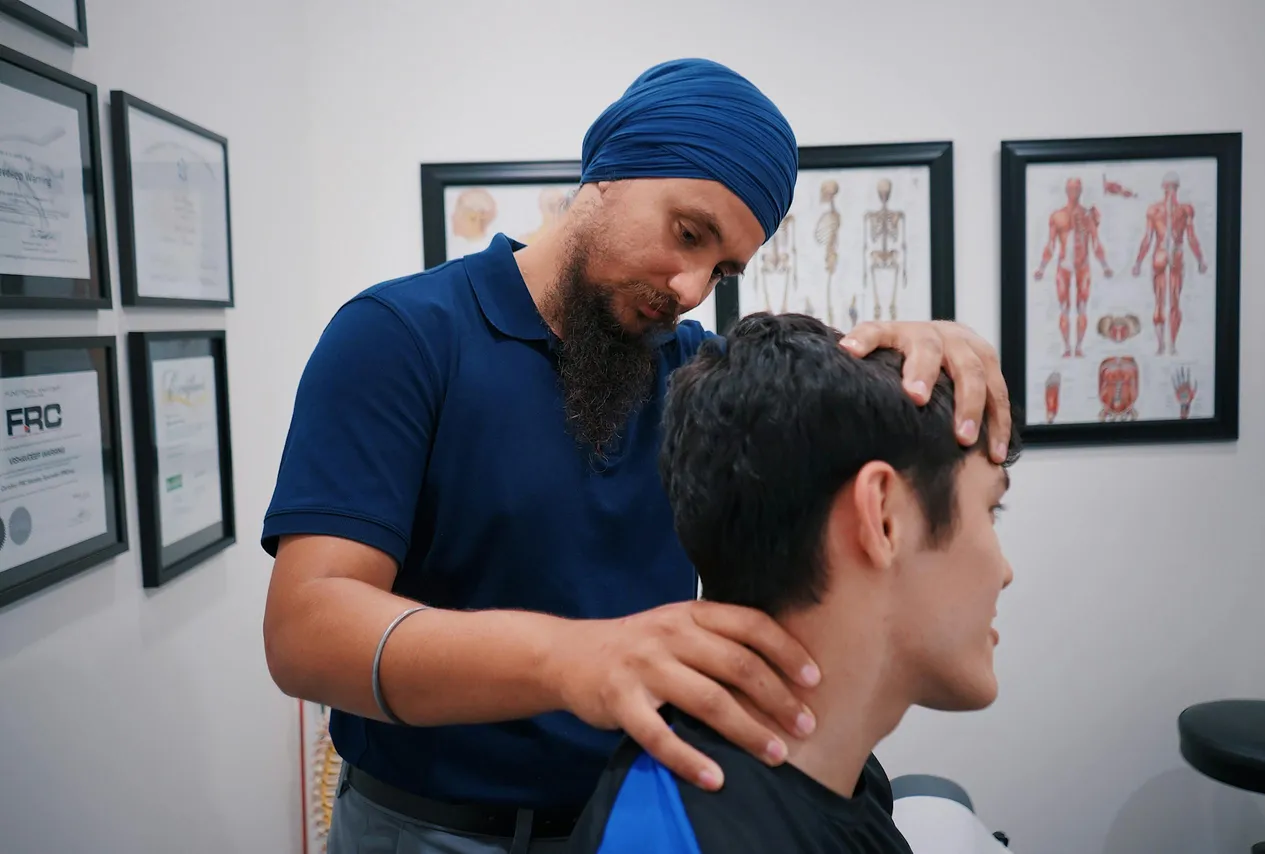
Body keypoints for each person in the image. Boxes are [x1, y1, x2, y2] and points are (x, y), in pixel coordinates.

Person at [260, 57, 1014, 854]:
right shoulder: (402, 338)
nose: (692, 287)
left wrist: (929, 345)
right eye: (688, 233)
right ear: (607, 174)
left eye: (724, 268)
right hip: (429, 830)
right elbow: (308, 631)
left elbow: (833, 417)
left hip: (636, 814)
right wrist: (573, 660)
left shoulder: (686, 369)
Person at [566, 313, 1021, 853]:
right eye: (991, 510)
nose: (1005, 571)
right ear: (883, 518)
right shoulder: (677, 834)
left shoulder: (844, 776)